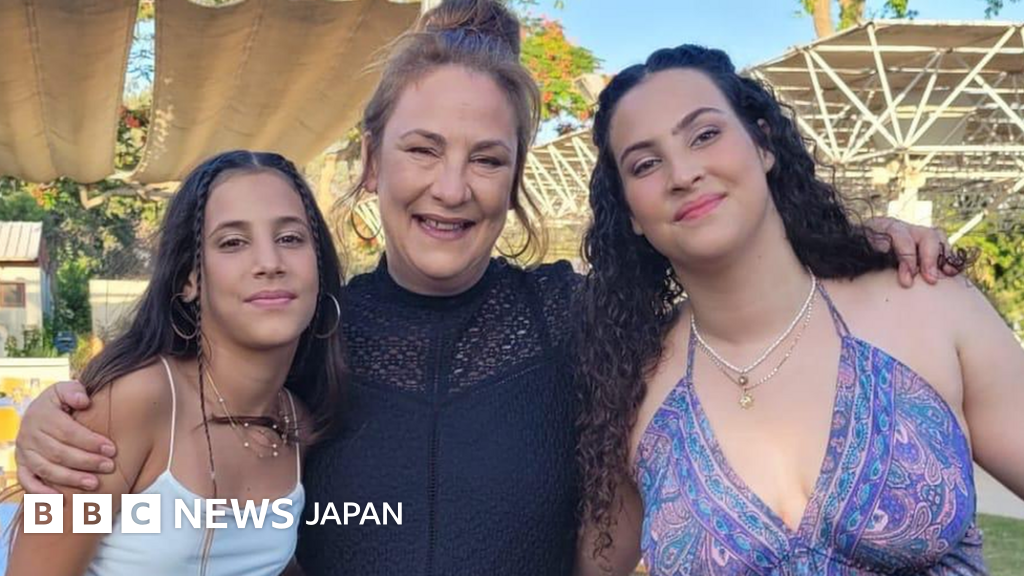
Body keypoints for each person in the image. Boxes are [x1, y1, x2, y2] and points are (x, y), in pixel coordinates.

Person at [9, 2, 955, 574]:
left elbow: (733, 302)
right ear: (372, 160)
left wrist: (853, 245)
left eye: (487, 159)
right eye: (422, 150)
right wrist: (62, 414)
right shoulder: (306, 335)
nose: (452, 188)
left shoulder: (578, 321)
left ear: (515, 179)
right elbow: (166, 411)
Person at [574, 44, 1024, 575]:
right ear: (629, 211)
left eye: (705, 134)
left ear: (763, 144)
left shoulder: (924, 299)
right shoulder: (631, 388)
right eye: (646, 164)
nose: (683, 172)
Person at [4, 150, 347, 575]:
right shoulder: (129, 403)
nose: (270, 263)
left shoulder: (298, 424)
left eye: (291, 238)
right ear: (189, 278)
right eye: (232, 242)